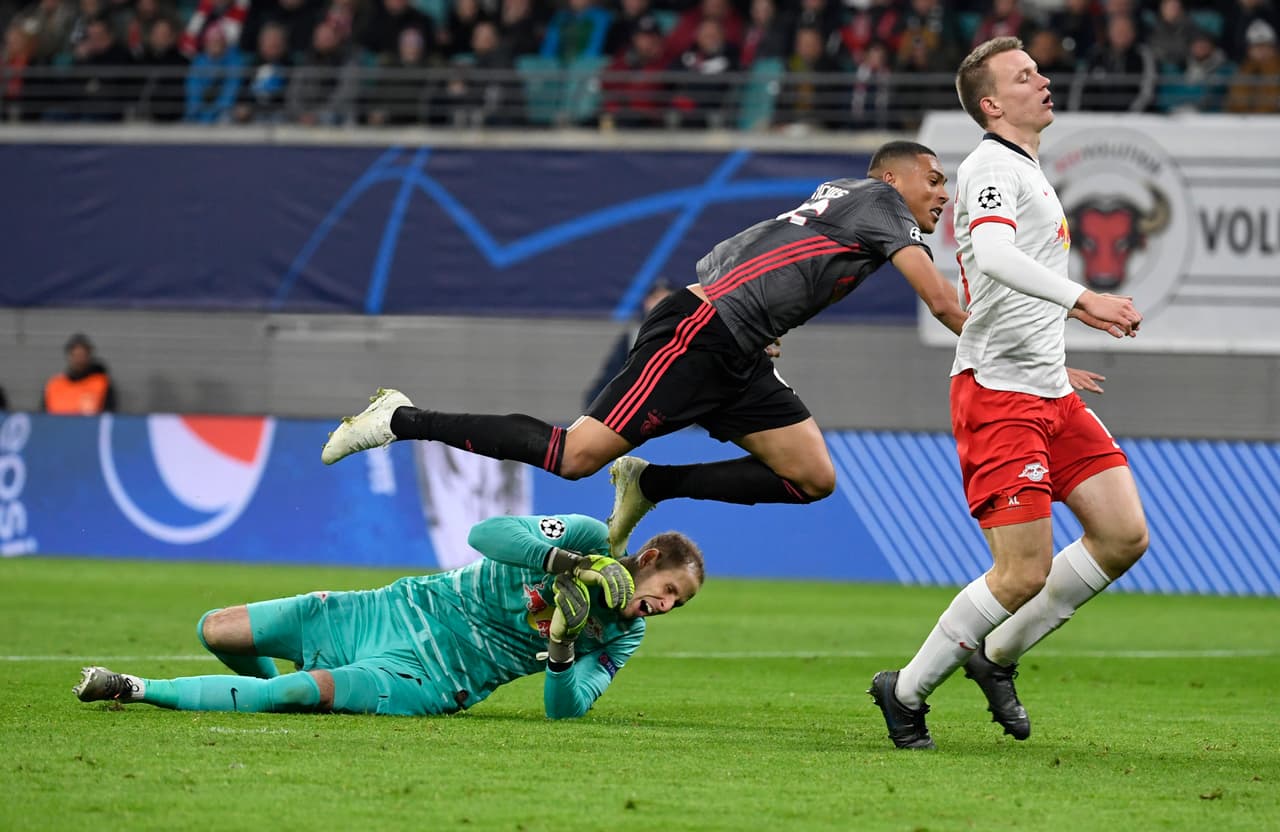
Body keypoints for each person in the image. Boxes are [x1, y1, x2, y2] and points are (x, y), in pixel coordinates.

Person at [322, 139, 1116, 556]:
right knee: (573, 457)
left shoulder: (831, 204)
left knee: (811, 479)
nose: (943, 193)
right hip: (699, 338)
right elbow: (945, 302)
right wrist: (1030, 362)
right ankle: (399, 419)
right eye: (935, 180)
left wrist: (760, 322)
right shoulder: (880, 204)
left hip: (735, 347)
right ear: (895, 177)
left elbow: (720, 259)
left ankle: (654, 480)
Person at [869, 36, 1148, 750]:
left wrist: (1060, 336)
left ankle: (996, 658)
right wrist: (1086, 297)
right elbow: (992, 255)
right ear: (992, 104)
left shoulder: (1026, 167)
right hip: (998, 395)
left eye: (1040, 71)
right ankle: (903, 693)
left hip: (1047, 388)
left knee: (1122, 536)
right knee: (1020, 571)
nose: (1043, 81)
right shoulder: (992, 166)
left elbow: (1007, 282)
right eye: (1025, 76)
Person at [74, 513, 704, 718]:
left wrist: (564, 649)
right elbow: (487, 534)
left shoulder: (625, 635)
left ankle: (133, 687)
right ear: (648, 558)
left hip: (426, 674)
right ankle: (249, 690)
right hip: (393, 608)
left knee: (294, 691)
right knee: (216, 628)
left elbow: (566, 707)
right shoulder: (590, 536)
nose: (667, 606)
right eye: (670, 588)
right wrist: (562, 562)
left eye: (679, 603)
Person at [581, 279, 673, 409]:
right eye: (656, 298)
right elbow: (611, 376)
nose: (660, 303)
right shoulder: (632, 338)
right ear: (646, 302)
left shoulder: (693, 336)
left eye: (667, 298)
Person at [43, 333, 116, 415]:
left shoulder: (101, 383)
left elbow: (108, 416)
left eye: (82, 355)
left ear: (89, 356)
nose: (79, 360)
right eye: (75, 355)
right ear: (69, 356)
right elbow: (43, 415)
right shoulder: (55, 384)